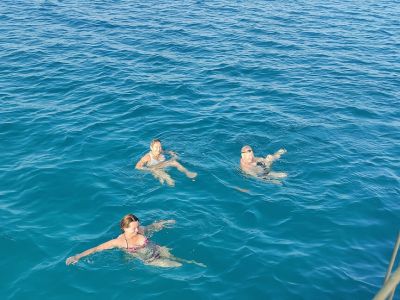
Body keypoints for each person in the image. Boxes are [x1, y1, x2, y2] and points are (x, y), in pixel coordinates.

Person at [66, 214, 204, 268]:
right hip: (150, 260)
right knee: (178, 266)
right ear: (124, 228)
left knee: (183, 259)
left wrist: (166, 222)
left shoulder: (141, 229)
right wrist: (77, 256)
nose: (137, 230)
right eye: (134, 228)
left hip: (158, 249)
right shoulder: (119, 242)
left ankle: (198, 265)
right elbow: (96, 248)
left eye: (138, 226)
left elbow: (152, 227)